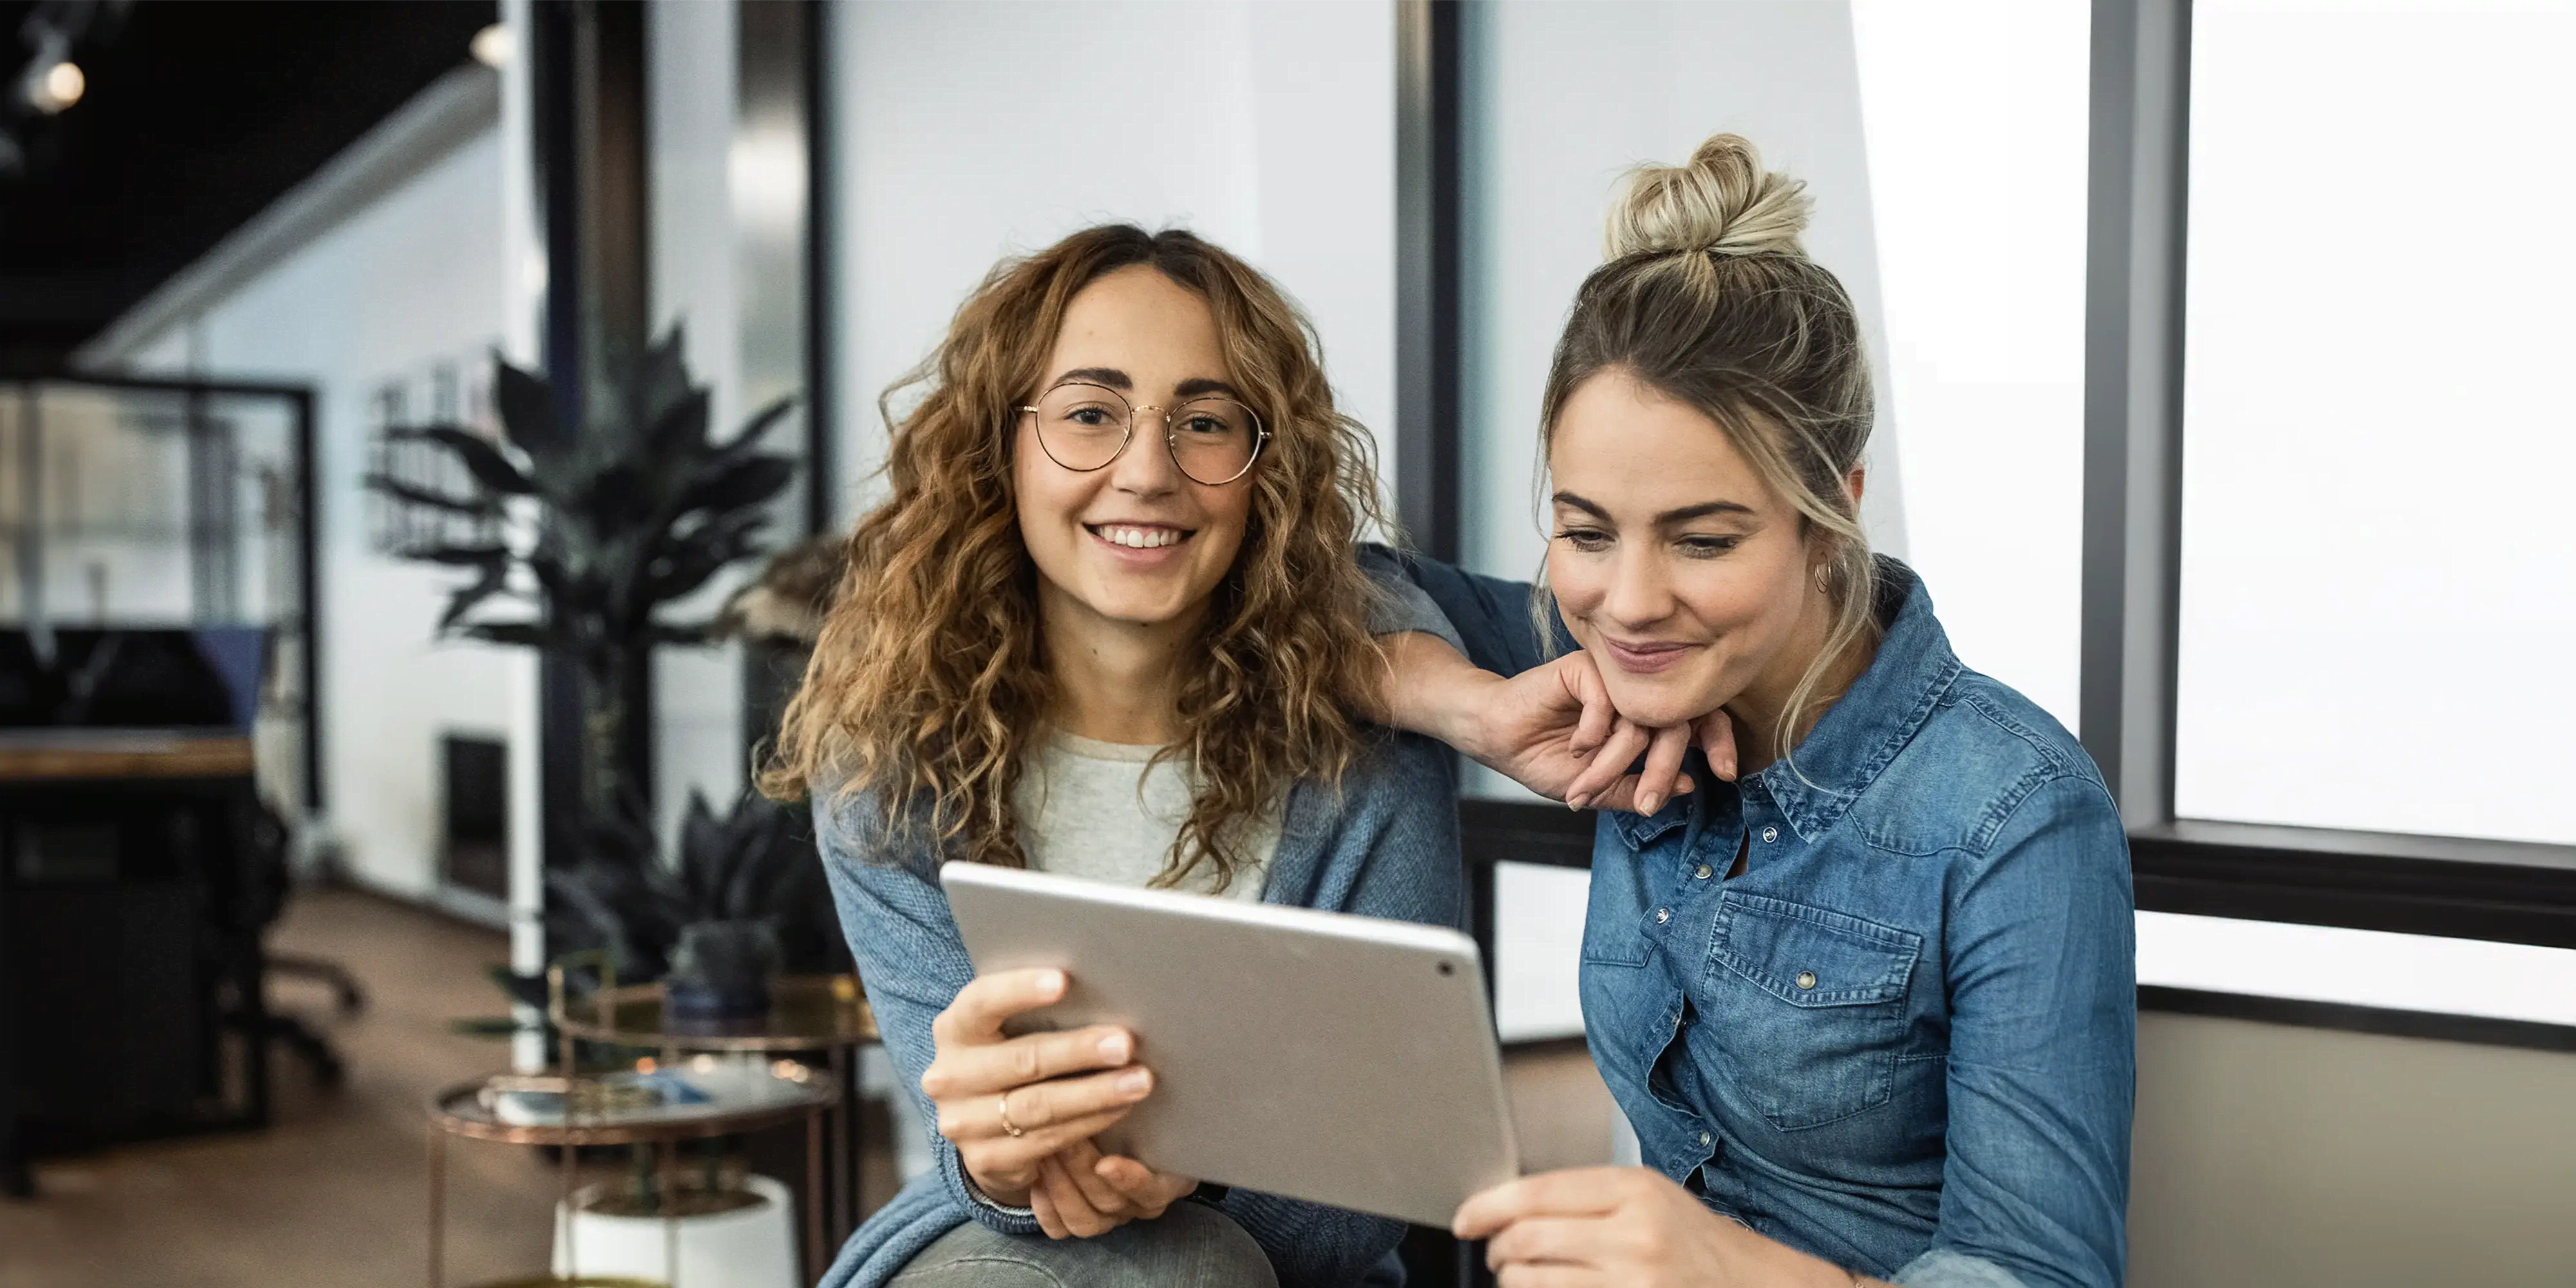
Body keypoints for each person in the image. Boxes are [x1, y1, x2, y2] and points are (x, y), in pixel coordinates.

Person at [1379, 134, 2136, 1287]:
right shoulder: (1622, 658)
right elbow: (1312, 589)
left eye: (1703, 538)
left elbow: (2038, 1272)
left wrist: (1726, 1268)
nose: (1626, 603)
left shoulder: (2015, 813)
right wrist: (1472, 710)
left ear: (1834, 509)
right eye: (1585, 531)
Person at [764, 224, 1467, 1288]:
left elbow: (1370, 1190)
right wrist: (1008, 1171)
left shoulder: (1361, 763)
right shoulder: (889, 766)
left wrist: (1199, 1181)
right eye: (1091, 414)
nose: (1148, 471)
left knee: (1183, 1259)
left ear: (1264, 469)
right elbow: (964, 1144)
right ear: (998, 450)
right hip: (993, 1259)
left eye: (1205, 422)